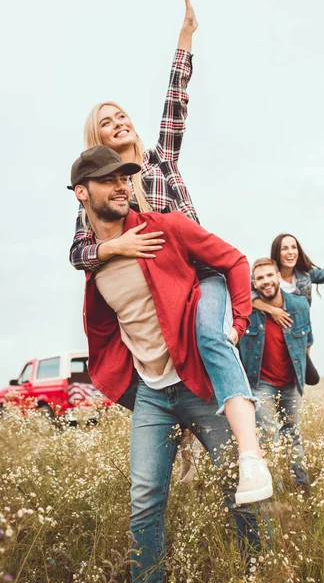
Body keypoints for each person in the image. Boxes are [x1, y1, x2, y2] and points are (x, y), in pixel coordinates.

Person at [69, 0, 262, 484]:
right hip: (163, 292)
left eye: (122, 115)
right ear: (98, 141)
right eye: (107, 122)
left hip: (202, 275)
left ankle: (250, 448)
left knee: (210, 337)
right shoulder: (104, 195)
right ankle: (184, 431)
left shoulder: (160, 162)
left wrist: (186, 38)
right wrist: (112, 248)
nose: (120, 123)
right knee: (152, 360)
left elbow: (176, 104)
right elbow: (79, 253)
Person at [69, 146, 273, 582]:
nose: (123, 186)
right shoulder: (95, 262)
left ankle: (260, 569)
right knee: (144, 501)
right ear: (81, 193)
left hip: (198, 383)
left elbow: (234, 260)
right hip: (152, 394)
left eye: (126, 178)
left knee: (236, 486)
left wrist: (235, 324)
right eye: (110, 180)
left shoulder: (166, 228)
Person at [240, 258, 313, 492]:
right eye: (260, 278)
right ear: (254, 283)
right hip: (261, 384)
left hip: (290, 384)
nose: (266, 281)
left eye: (270, 276)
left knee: (293, 436)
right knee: (269, 437)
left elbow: (307, 341)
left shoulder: (299, 306)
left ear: (279, 276)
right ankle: (278, 492)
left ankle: (302, 491)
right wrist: (270, 310)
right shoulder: (247, 309)